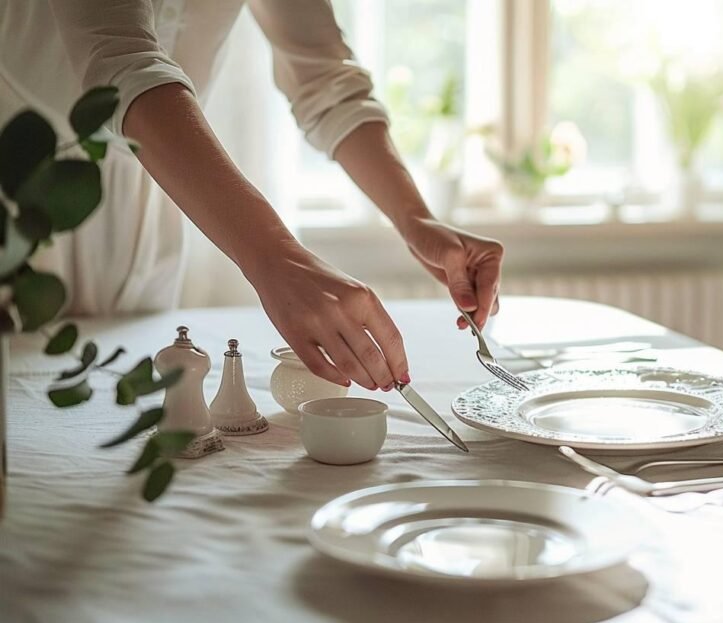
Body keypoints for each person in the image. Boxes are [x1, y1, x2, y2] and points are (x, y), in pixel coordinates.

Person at [0, 0, 504, 392]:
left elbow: (327, 81)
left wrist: (416, 219)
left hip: (163, 191)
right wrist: (278, 259)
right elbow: (121, 64)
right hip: (21, 194)